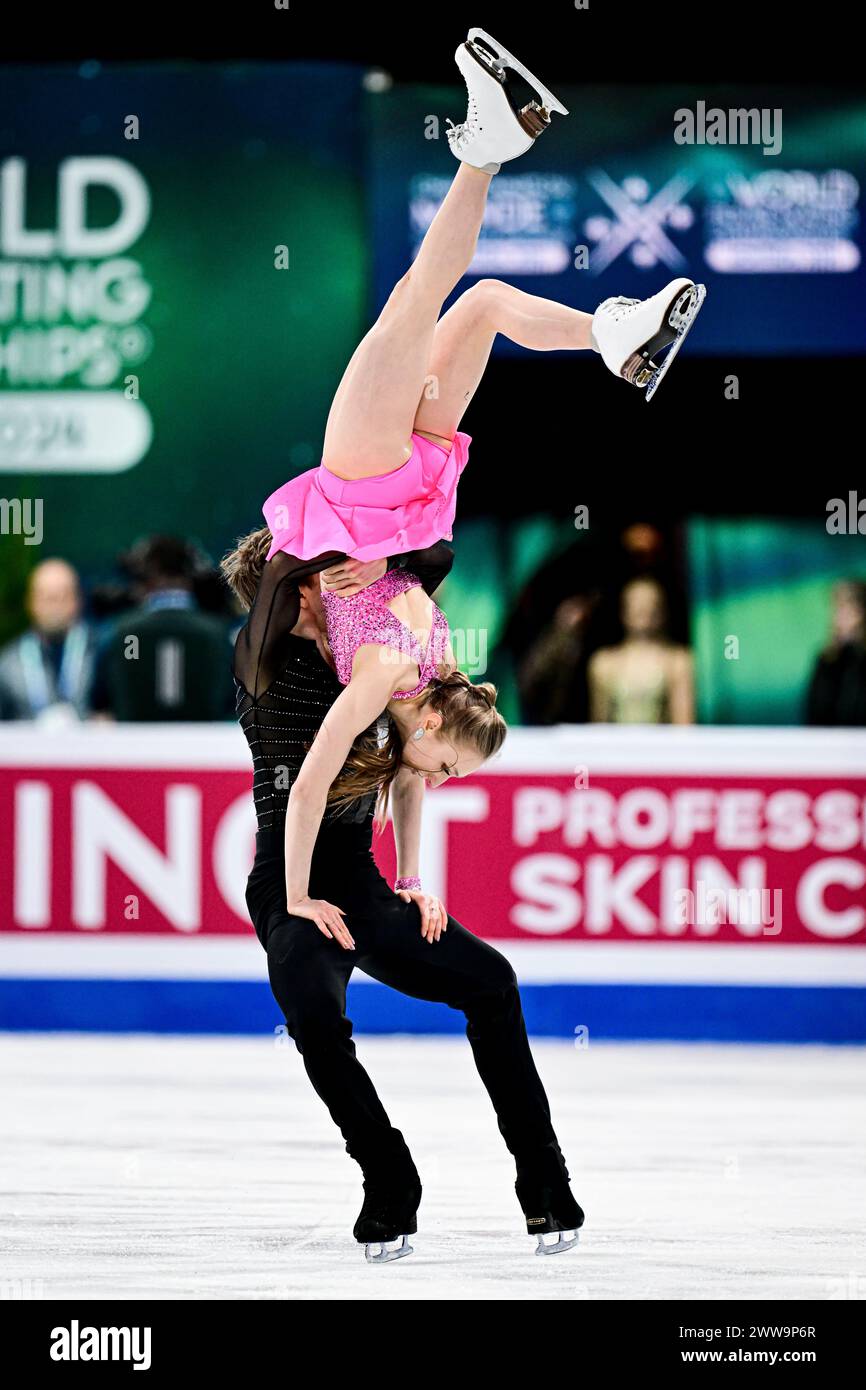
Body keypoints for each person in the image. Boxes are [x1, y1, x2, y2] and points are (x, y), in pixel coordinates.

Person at [229, 26, 706, 937]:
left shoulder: (389, 686)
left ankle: (490, 152)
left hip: (369, 494)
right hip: (385, 506)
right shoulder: (428, 678)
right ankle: (613, 337)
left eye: (445, 771)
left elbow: (311, 787)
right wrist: (413, 873)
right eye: (452, 770)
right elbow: (409, 779)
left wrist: (295, 895)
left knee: (431, 294)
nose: (437, 782)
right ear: (443, 722)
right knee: (474, 301)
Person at [221, 536, 585, 1262]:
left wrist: (412, 881)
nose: (342, 593)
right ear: (300, 590)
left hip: (358, 884)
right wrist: (296, 901)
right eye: (328, 583)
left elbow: (412, 768)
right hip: (290, 886)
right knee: (316, 1018)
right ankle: (389, 1176)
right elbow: (310, 786)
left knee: (492, 983)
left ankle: (543, 1180)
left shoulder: (376, 662)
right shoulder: (260, 656)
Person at [89, 536, 236, 721]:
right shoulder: (219, 635)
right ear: (190, 578)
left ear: (142, 579)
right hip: (202, 747)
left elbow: (98, 705)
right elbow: (235, 703)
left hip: (132, 746)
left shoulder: (119, 634)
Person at [0, 558, 96, 723]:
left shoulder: (99, 653)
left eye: (63, 596)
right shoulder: (8, 662)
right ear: (30, 602)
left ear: (77, 600)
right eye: (47, 597)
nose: (55, 607)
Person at [588, 577, 694, 723]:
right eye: (636, 604)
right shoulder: (604, 663)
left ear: (663, 611)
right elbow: (599, 724)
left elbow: (684, 725)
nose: (644, 610)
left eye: (651, 604)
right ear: (624, 611)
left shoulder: (678, 661)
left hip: (662, 744)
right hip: (617, 744)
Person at [805, 579, 866, 726]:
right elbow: (816, 712)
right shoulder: (827, 660)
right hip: (832, 743)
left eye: (849, 606)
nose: (841, 615)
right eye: (838, 607)